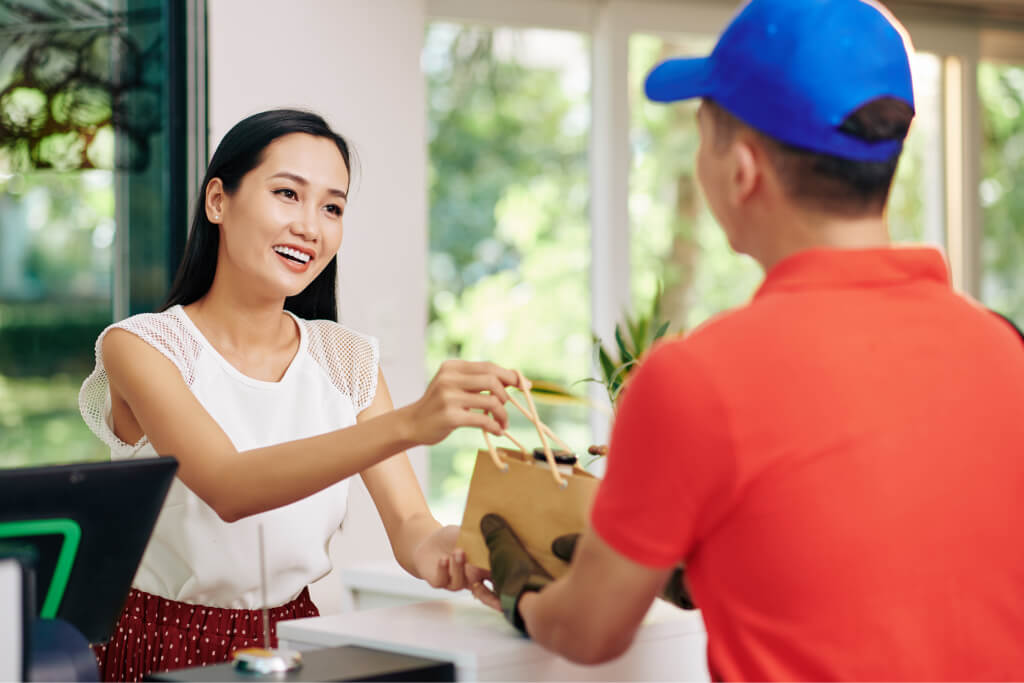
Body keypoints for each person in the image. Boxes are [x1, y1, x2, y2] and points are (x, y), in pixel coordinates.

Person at [480, 0, 1024, 679]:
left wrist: (526, 596)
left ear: (742, 169)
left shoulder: (696, 378)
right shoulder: (1004, 351)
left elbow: (589, 630)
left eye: (702, 136)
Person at [79, 109, 510, 682]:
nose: (312, 226)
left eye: (332, 207)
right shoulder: (142, 347)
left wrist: (469, 552)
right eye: (288, 193)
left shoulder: (346, 359)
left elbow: (412, 527)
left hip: (295, 641)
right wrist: (410, 423)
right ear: (218, 202)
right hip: (162, 642)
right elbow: (228, 486)